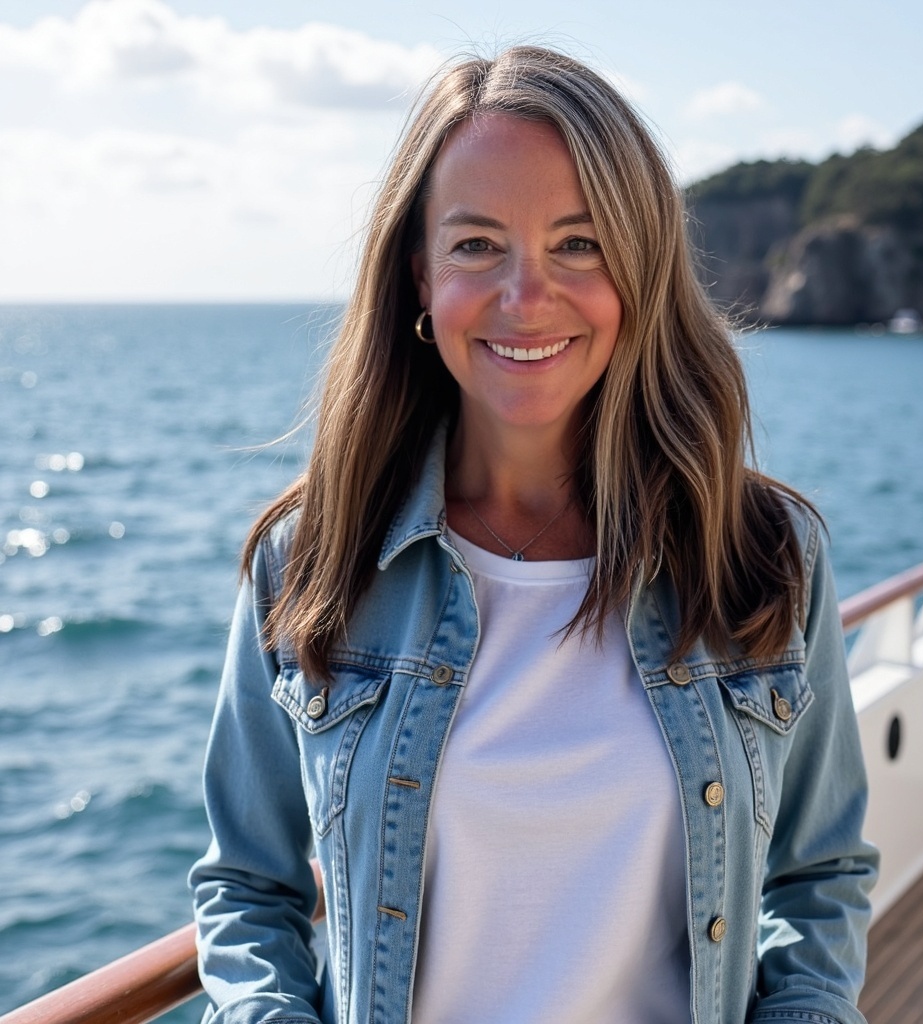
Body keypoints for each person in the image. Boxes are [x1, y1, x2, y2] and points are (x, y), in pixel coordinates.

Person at [189, 45, 877, 1024]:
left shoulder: (761, 551)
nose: (526, 295)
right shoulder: (309, 559)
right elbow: (249, 886)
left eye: (579, 243)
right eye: (476, 245)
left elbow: (819, 870)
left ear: (638, 269)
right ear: (417, 275)